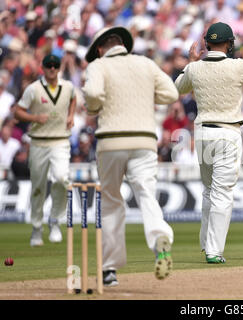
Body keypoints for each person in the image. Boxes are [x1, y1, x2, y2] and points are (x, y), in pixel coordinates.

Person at [82, 26, 179, 286]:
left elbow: (92, 95)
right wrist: (146, 96)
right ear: (122, 44)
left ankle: (110, 269)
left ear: (100, 49)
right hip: (144, 140)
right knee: (147, 193)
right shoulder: (145, 63)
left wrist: (94, 107)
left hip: (111, 141)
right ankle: (160, 239)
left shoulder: (98, 66)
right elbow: (171, 93)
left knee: (112, 202)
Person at [175, 22, 243, 263]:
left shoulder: (195, 68)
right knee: (222, 194)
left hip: (202, 134)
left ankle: (206, 243)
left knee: (210, 191)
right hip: (227, 135)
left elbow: (179, 88)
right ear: (229, 44)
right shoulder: (237, 66)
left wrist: (191, 63)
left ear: (207, 43)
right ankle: (213, 251)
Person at [14, 54, 76, 247]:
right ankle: (37, 228)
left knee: (61, 179)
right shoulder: (33, 89)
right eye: (48, 66)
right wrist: (34, 118)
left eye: (55, 66)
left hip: (60, 141)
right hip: (38, 143)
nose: (52, 69)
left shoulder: (68, 86)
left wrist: (71, 116)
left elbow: (73, 99)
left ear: (59, 68)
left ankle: (55, 221)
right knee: (38, 187)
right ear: (43, 68)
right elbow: (18, 111)